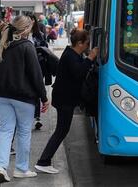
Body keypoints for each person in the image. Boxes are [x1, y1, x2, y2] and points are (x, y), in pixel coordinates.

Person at [0, 15, 49, 183]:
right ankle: (21, 168)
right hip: (23, 97)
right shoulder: (27, 46)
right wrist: (44, 97)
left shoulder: (1, 46)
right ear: (27, 29)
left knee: (5, 130)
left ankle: (1, 167)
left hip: (1, 95)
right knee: (24, 132)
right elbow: (36, 75)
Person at [35, 29, 98, 174]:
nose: (88, 46)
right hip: (65, 100)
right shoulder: (71, 56)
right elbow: (79, 73)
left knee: (61, 130)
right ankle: (43, 161)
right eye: (87, 43)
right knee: (61, 131)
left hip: (64, 98)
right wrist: (90, 58)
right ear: (80, 43)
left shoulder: (72, 53)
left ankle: (44, 161)